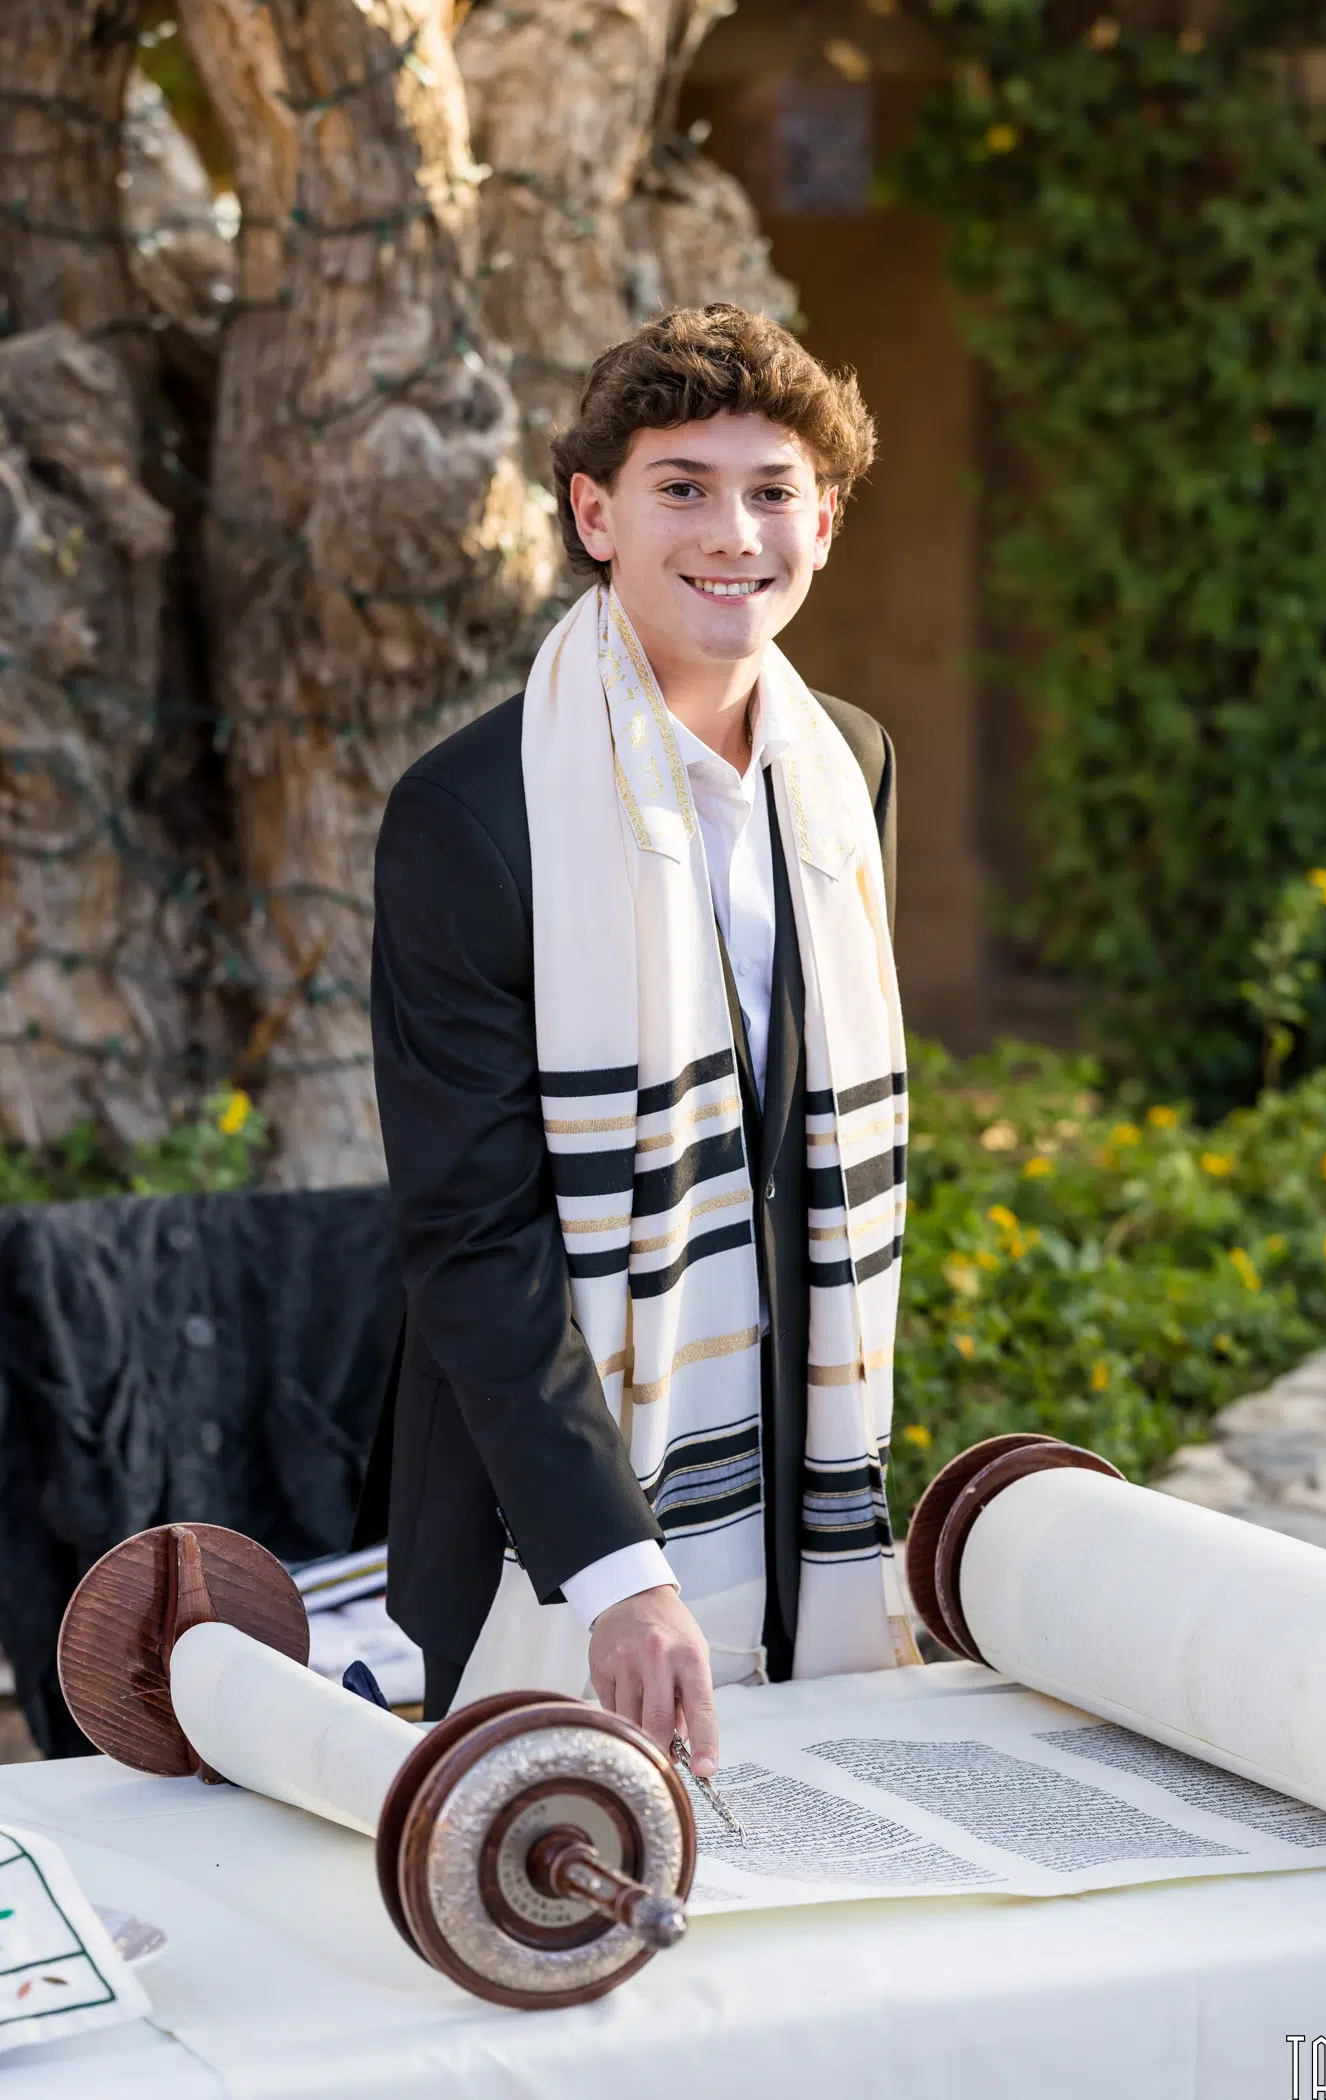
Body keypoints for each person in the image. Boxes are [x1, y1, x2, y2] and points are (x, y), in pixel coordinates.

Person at [356, 303, 912, 1784]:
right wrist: (617, 1569)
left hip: (801, 1500)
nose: (734, 532)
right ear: (595, 514)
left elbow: (820, 1156)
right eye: (682, 487)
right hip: (539, 1525)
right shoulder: (471, 816)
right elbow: (471, 1233)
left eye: (774, 490)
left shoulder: (852, 765)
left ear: (824, 521)